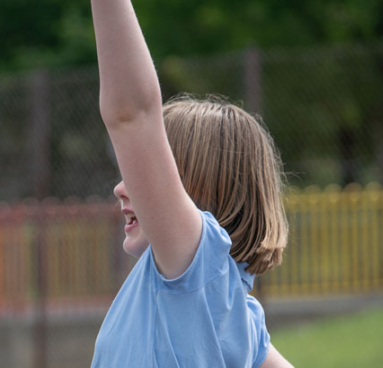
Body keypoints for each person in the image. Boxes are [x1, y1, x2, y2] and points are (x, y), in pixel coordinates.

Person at [89, 1, 294, 367]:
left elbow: (132, 114)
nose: (122, 187)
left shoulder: (197, 274)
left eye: (144, 174)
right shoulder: (231, 308)